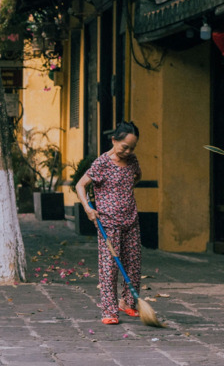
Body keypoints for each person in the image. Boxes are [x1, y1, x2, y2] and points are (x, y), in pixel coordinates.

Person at [75, 121, 142, 326]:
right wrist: (88, 208)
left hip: (131, 219)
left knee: (133, 264)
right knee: (109, 267)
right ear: (114, 140)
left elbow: (137, 177)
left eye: (132, 148)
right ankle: (109, 310)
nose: (128, 151)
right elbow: (80, 185)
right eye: (125, 147)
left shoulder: (132, 161)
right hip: (108, 223)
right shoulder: (102, 163)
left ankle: (128, 303)